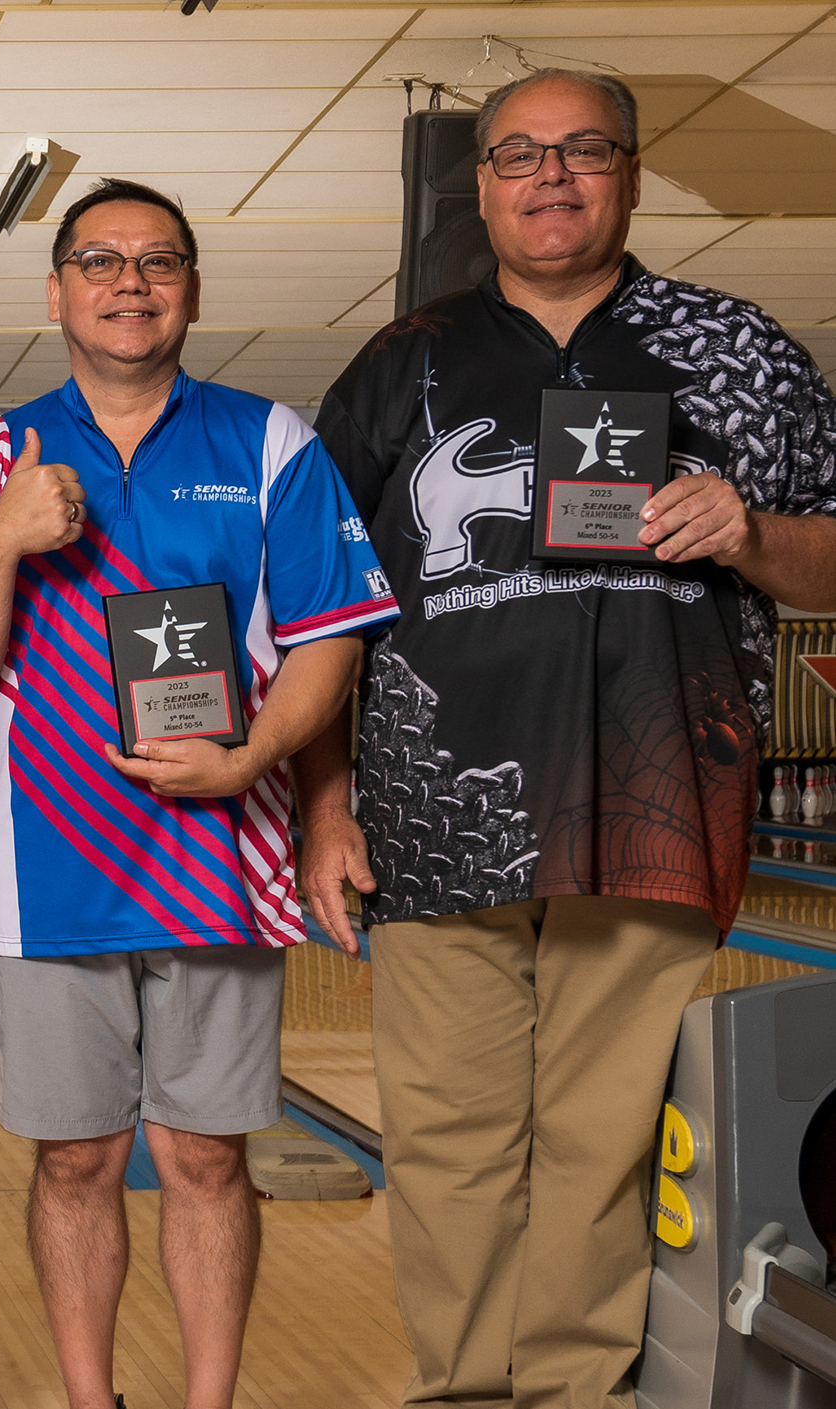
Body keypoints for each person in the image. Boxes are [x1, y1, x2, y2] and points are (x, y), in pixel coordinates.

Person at [300, 70, 836, 1409]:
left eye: (582, 150)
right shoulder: (398, 363)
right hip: (434, 822)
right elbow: (314, 609)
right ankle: (467, 1394)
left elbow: (831, 558)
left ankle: (574, 1399)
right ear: (477, 186)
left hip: (658, 819)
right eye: (520, 155)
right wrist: (321, 798)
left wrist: (751, 532)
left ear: (631, 171)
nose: (552, 177)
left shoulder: (741, 348)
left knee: (601, 1149)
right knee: (450, 1145)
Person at [0, 177, 399, 1409]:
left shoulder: (272, 441)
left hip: (221, 860)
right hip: (50, 866)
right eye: (101, 260)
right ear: (58, 289)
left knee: (202, 1154)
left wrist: (247, 760)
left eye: (158, 260)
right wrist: (2, 537)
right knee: (74, 1158)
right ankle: (90, 1397)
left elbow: (332, 640)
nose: (131, 282)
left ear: (189, 287)